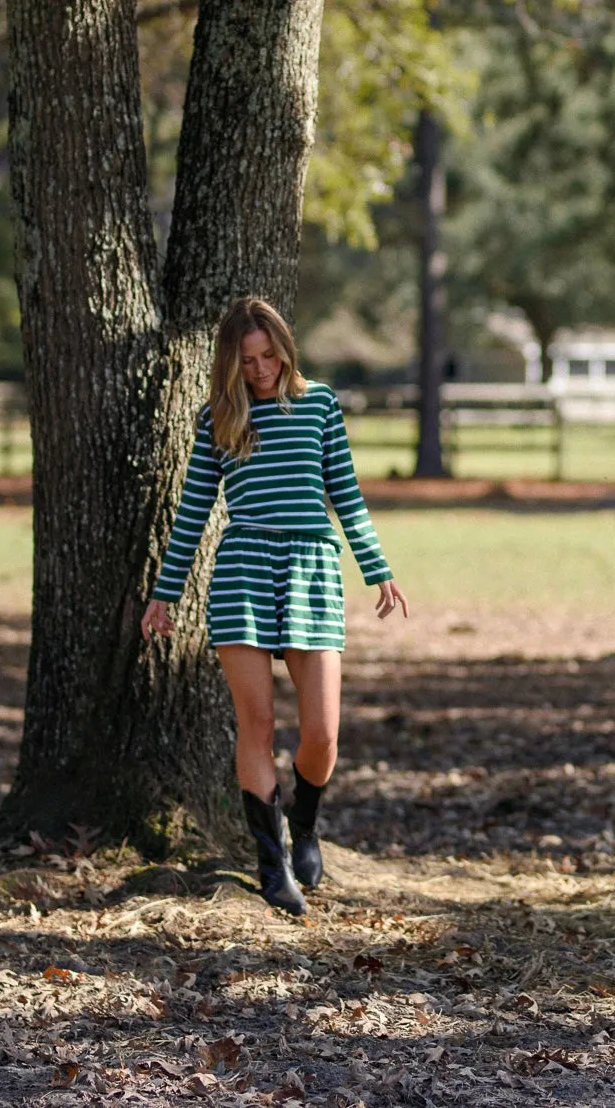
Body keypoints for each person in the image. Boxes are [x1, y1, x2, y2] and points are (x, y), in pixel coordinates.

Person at [141, 297, 407, 915]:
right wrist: (165, 591)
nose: (260, 370)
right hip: (242, 572)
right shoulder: (218, 419)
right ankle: (272, 865)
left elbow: (345, 492)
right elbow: (192, 512)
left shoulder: (318, 404)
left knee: (321, 733)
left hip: (313, 568)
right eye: (247, 360)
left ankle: (305, 826)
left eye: (268, 356)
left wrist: (379, 569)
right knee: (256, 724)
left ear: (285, 349)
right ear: (230, 363)